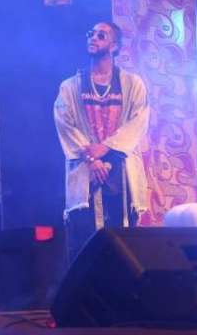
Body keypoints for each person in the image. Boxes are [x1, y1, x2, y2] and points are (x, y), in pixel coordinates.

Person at [53, 22, 149, 262]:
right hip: (86, 170)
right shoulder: (70, 87)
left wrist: (105, 149)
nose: (93, 38)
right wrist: (92, 158)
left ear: (114, 46)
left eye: (101, 35)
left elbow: (138, 121)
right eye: (91, 34)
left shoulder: (132, 84)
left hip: (120, 169)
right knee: (85, 246)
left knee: (124, 244)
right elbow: (65, 124)